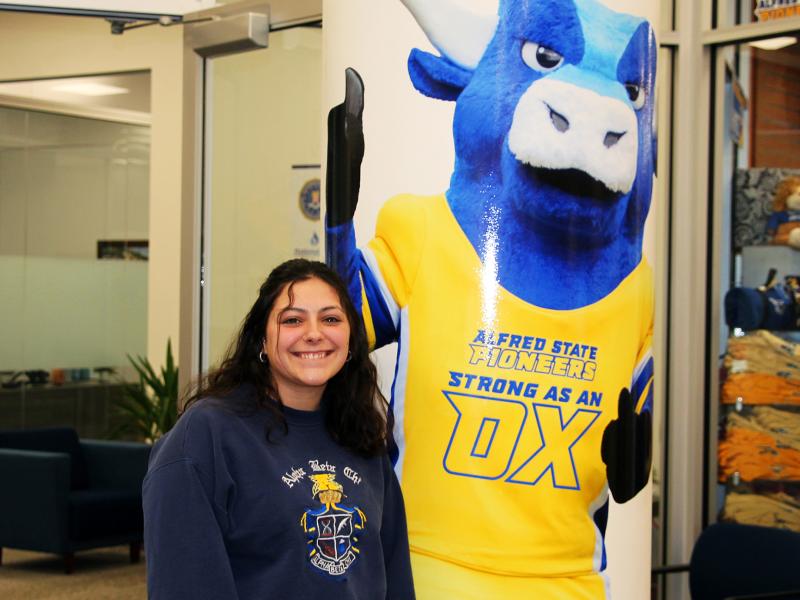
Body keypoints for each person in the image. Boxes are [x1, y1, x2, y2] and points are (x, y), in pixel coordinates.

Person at [143, 259, 415, 600]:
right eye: (292, 320)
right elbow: (182, 585)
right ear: (262, 339)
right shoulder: (207, 436)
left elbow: (394, 579)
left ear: (350, 342)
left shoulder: (362, 437)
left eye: (330, 318)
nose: (314, 333)